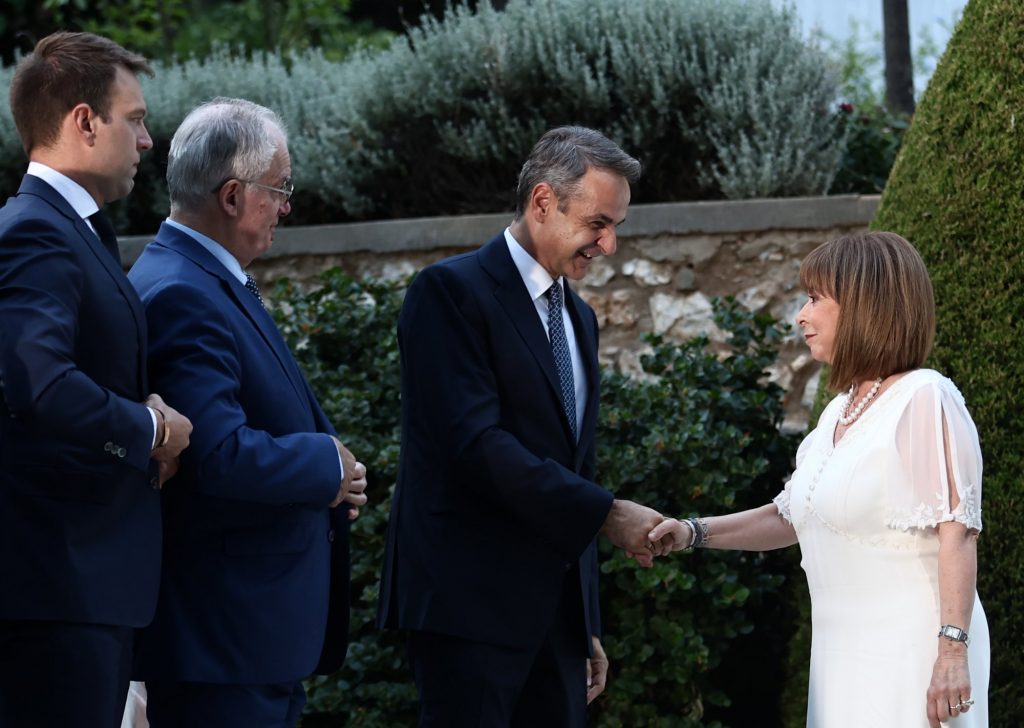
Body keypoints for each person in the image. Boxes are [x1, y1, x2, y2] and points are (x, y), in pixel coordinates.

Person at [377, 126, 672, 727]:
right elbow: (474, 447)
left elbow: (575, 465)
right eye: (598, 224)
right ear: (542, 202)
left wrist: (584, 622)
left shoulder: (580, 318)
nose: (609, 244)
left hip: (557, 626)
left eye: (616, 226)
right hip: (467, 614)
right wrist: (607, 513)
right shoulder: (448, 293)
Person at [650, 231, 989, 728]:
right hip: (841, 659)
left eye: (814, 299)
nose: (800, 316)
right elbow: (788, 517)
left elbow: (957, 529)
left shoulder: (924, 397)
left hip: (912, 656)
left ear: (862, 305)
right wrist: (690, 532)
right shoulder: (837, 412)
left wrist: (952, 651)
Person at [128, 98, 368, 727]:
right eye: (280, 188)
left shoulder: (199, 276)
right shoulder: (182, 290)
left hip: (245, 640)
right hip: (225, 642)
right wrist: (325, 465)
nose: (286, 206)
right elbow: (214, 452)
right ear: (233, 196)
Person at [0, 32, 192, 728]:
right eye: (134, 120)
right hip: (58, 590)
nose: (146, 141)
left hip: (83, 587)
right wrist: (148, 429)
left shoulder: (73, 230)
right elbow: (40, 384)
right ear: (85, 121)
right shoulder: (36, 232)